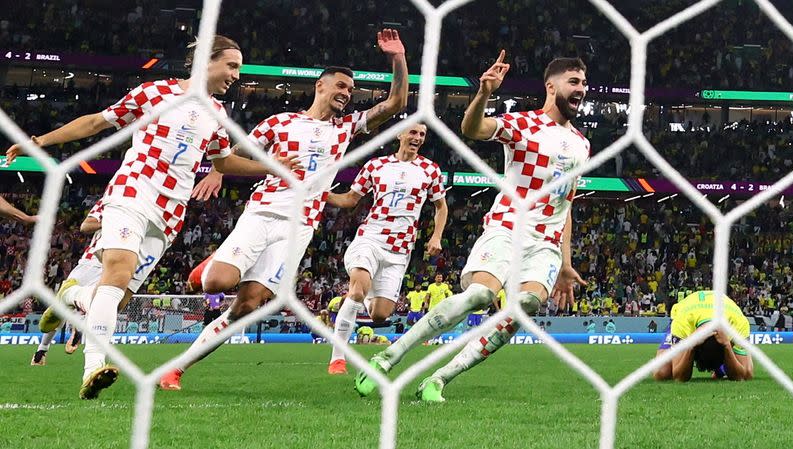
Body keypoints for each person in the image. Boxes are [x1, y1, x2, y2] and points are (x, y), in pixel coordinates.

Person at [7, 35, 291, 400]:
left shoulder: (219, 114)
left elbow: (223, 163)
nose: (236, 74)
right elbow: (97, 122)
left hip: (171, 211)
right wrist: (41, 141)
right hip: (134, 190)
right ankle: (93, 368)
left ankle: (74, 296)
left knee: (118, 297)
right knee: (118, 271)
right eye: (232, 65)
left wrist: (271, 166)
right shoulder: (154, 93)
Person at [159, 29, 409, 391]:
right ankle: (208, 267)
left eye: (351, 90)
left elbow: (395, 104)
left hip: (299, 227)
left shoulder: (345, 129)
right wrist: (216, 171)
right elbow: (236, 154)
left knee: (247, 307)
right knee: (217, 283)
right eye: (340, 86)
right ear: (321, 87)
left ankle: (175, 371)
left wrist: (397, 59)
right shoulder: (279, 122)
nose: (346, 93)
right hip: (262, 213)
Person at [355, 53, 590, 402]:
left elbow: (565, 204)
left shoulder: (582, 145)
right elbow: (472, 129)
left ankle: (440, 378)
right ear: (551, 86)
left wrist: (567, 264)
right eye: (574, 82)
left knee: (524, 305)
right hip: (508, 226)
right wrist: (483, 93)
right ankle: (388, 357)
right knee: (481, 295)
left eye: (584, 83)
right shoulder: (525, 124)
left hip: (547, 243)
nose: (581, 89)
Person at [326, 122, 447, 375]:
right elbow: (350, 199)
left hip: (400, 249)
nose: (418, 138)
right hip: (371, 238)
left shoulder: (430, 170)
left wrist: (436, 236)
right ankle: (337, 359)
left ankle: (366, 294)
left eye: (422, 134)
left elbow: (441, 207)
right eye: (413, 132)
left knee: (380, 314)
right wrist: (320, 194)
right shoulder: (375, 166)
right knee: (356, 291)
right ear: (400, 134)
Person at [31, 201, 104, 366]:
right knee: (64, 306)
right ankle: (77, 325)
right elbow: (85, 226)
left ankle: (43, 350)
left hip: (109, 266)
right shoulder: (108, 206)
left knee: (66, 305)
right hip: (91, 262)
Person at [653, 290, 753, 382]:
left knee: (747, 371)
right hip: (686, 312)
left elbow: (744, 375)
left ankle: (721, 368)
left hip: (726, 313)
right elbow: (678, 376)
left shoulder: (739, 323)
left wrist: (727, 345)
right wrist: (691, 345)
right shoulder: (682, 323)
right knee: (661, 373)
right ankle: (721, 368)